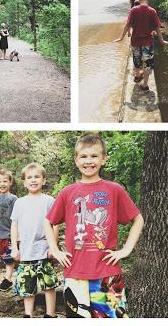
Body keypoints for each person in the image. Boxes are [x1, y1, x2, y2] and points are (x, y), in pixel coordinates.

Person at [44, 133, 144, 318]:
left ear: (104, 159)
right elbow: (48, 221)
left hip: (108, 272)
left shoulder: (114, 190)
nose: (88, 161)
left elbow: (138, 219)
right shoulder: (68, 192)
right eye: (83, 156)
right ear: (76, 160)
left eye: (94, 156)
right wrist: (55, 250)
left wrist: (125, 250)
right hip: (74, 272)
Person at [11, 163, 60, 318]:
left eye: (37, 177)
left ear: (44, 180)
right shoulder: (19, 202)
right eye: (29, 177)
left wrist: (53, 247)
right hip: (26, 251)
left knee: (48, 284)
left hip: (44, 250)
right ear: (24, 182)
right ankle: (28, 315)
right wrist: (14, 247)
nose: (33, 180)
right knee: (27, 284)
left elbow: (55, 224)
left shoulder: (49, 201)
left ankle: (50, 314)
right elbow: (14, 226)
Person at [113, 0, 168, 92]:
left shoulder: (134, 10)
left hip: (135, 42)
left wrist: (121, 37)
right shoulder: (152, 11)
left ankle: (137, 76)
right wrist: (162, 41)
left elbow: (127, 25)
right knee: (147, 64)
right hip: (147, 43)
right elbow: (157, 28)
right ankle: (145, 85)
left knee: (137, 61)